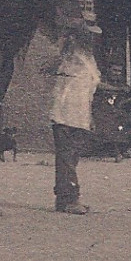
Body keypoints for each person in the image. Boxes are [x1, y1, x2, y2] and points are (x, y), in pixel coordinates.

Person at [43, 19, 101, 215]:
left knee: (72, 156)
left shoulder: (88, 58)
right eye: (89, 34)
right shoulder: (69, 56)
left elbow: (91, 85)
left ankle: (65, 198)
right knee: (66, 156)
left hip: (81, 113)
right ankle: (68, 199)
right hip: (65, 114)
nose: (92, 39)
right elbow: (50, 70)